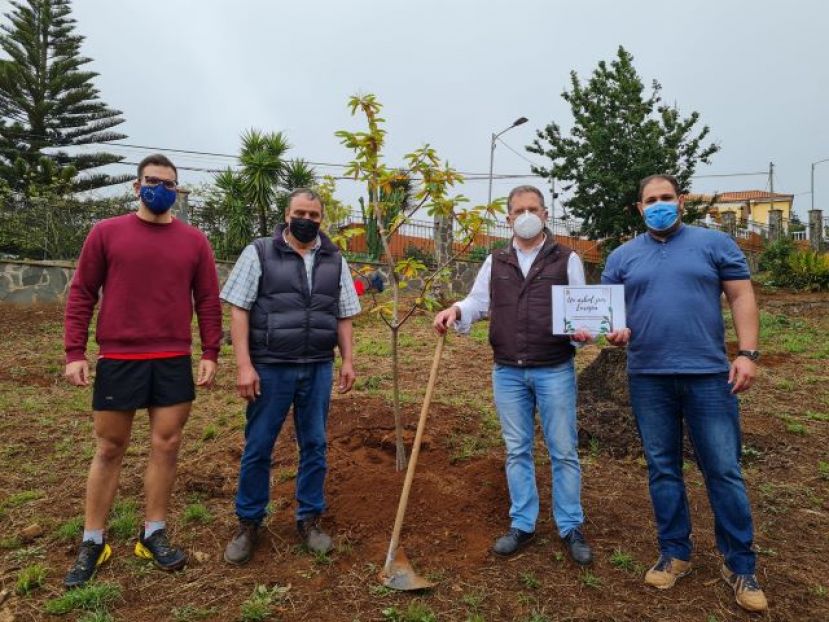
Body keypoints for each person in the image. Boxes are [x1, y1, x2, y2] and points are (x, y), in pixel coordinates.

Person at [601, 174, 767, 612]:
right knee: (662, 469)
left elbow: (741, 296)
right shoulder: (621, 257)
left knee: (724, 470)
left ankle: (740, 563)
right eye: (650, 200)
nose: (659, 204)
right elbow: (608, 317)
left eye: (666, 197)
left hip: (708, 376)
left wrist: (747, 353)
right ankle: (675, 552)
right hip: (648, 377)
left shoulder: (715, 245)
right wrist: (611, 333)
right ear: (640, 209)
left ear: (681, 201)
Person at [62, 154, 222, 588]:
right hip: (120, 359)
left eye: (169, 183)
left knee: (166, 444)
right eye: (153, 181)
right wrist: (75, 351)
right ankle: (93, 540)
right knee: (109, 447)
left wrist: (210, 352)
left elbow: (208, 300)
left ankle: (153, 533)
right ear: (137, 186)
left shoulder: (195, 241)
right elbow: (82, 293)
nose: (160, 189)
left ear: (177, 189)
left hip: (172, 358)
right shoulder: (106, 232)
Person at [434, 185, 593, 565]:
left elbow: (582, 310)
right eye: (519, 210)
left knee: (563, 450)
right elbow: (478, 301)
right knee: (517, 449)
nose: (526, 215)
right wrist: (456, 310)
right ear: (508, 218)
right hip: (507, 372)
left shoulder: (566, 259)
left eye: (533, 209)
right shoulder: (496, 261)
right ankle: (523, 523)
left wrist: (583, 332)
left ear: (545, 215)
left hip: (554, 368)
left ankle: (570, 525)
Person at [221, 188, 359, 564]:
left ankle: (309, 518)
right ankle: (249, 522)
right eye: (300, 213)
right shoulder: (260, 252)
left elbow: (344, 314)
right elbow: (239, 310)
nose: (306, 220)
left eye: (314, 215)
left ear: (322, 218)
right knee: (259, 445)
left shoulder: (334, 258)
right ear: (287, 214)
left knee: (314, 444)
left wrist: (348, 360)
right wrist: (244, 365)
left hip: (317, 366)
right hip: (271, 366)